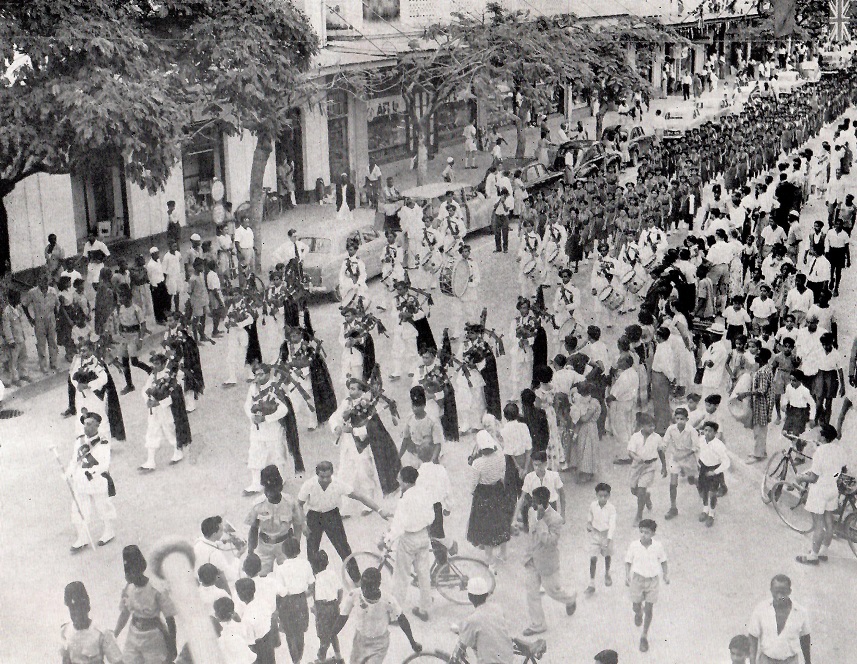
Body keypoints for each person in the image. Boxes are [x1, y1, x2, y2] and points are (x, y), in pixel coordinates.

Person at [298, 460, 389, 585]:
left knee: (344, 549)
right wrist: (303, 523)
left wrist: (379, 510)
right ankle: (312, 581)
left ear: (332, 474)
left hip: (332, 516)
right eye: (322, 477)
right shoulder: (308, 485)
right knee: (312, 551)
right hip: (314, 517)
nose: (325, 480)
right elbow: (298, 505)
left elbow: (360, 496)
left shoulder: (338, 483)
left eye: (328, 477)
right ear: (317, 474)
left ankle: (356, 579)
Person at [334, 568, 422, 663]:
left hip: (379, 645)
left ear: (378, 585)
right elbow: (342, 617)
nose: (365, 590)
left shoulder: (388, 600)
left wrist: (412, 642)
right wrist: (331, 635)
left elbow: (402, 619)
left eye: (369, 586)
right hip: (359, 642)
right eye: (363, 585)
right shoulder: (354, 595)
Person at [521, 486, 576, 636]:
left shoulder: (556, 519)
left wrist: (540, 521)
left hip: (547, 562)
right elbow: (530, 534)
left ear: (544, 502)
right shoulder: (532, 511)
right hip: (531, 559)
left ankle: (570, 599)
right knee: (531, 593)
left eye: (535, 501)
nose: (532, 504)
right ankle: (538, 624)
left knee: (552, 591)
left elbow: (550, 541)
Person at [383, 465, 435, 621]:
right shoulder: (424, 493)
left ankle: (394, 615)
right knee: (424, 574)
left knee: (401, 576)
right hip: (423, 536)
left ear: (405, 482)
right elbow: (431, 516)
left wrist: (388, 540)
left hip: (409, 539)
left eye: (399, 478)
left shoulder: (405, 499)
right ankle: (424, 609)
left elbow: (399, 525)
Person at [114, 545, 178, 664]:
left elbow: (170, 619)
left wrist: (172, 645)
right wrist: (115, 634)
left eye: (132, 571)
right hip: (134, 635)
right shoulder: (128, 589)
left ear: (140, 568)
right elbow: (124, 613)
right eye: (126, 571)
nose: (128, 575)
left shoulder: (156, 589)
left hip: (153, 637)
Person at [795, 424, 849, 565]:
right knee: (829, 522)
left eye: (819, 433)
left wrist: (800, 478)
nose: (817, 435)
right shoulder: (838, 449)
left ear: (823, 437)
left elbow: (813, 478)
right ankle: (823, 551)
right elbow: (843, 468)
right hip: (832, 490)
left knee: (818, 524)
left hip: (819, 491)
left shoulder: (819, 452)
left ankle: (813, 556)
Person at [67, 413, 117, 551]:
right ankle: (82, 537)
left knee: (102, 507)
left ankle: (109, 531)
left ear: (97, 425)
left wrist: (93, 473)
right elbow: (74, 460)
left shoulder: (103, 442)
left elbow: (104, 464)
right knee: (79, 508)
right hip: (81, 481)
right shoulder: (79, 441)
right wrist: (69, 472)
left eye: (89, 424)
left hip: (96, 480)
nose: (86, 427)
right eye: (85, 423)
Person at [243, 363, 293, 494]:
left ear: (267, 374)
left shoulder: (275, 388)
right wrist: (252, 417)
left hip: (272, 428)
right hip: (257, 428)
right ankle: (256, 483)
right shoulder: (253, 387)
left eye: (261, 374)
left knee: (276, 454)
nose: (258, 377)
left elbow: (284, 409)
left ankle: (280, 479)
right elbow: (247, 405)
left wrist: (267, 418)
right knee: (255, 453)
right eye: (256, 374)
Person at [467, 427, 513, 569]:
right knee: (501, 521)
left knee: (486, 525)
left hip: (484, 493)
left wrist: (472, 492)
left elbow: (473, 484)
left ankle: (489, 557)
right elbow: (502, 474)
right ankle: (504, 553)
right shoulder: (500, 458)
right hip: (498, 490)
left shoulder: (478, 463)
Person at [246, 465, 304, 575]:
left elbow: (297, 525)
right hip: (264, 546)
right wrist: (250, 551)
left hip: (285, 545)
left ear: (280, 487)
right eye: (266, 489)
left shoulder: (290, 502)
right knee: (262, 577)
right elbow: (253, 529)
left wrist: (296, 543)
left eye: (273, 489)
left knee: (289, 576)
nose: (269, 493)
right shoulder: (257, 505)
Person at [139, 350, 190, 472]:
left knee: (169, 429)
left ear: (163, 364)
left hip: (166, 410)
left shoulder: (169, 376)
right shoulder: (152, 376)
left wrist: (159, 402)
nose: (155, 366)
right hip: (154, 411)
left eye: (157, 364)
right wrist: (147, 400)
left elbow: (174, 394)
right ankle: (150, 461)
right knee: (152, 431)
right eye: (153, 364)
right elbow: (145, 389)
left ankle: (178, 450)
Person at [624, 519, 668, 653]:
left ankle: (644, 636)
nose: (643, 535)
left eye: (647, 532)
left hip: (652, 581)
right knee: (636, 605)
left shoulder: (658, 546)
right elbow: (628, 561)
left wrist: (665, 575)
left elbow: (663, 561)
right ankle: (638, 612)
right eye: (641, 532)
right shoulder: (634, 545)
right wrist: (627, 575)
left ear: (653, 534)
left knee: (649, 609)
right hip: (637, 580)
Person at [748, 574, 811, 664]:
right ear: (771, 590)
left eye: (783, 592)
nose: (779, 596)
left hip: (791, 661)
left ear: (789, 591)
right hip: (766, 660)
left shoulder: (801, 612)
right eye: (776, 592)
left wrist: (808, 662)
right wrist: (752, 661)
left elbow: (805, 638)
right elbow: (753, 637)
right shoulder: (761, 609)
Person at [451, 577, 514, 664]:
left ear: (469, 597)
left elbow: (466, 641)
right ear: (486, 595)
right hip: (508, 657)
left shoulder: (472, 620)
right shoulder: (497, 608)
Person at [272, 536, 313, 664]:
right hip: (301, 600)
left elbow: (279, 591)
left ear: (284, 552)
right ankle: (299, 657)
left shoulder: (281, 568)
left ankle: (295, 660)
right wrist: (303, 594)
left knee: (290, 634)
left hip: (286, 602)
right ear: (299, 550)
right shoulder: (306, 564)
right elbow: (311, 585)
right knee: (300, 632)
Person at [61, 581, 123, 664]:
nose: (77, 613)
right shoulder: (65, 632)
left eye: (80, 607)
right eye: (72, 608)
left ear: (87, 606)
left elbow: (117, 661)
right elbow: (65, 661)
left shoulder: (102, 633)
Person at [660, 407, 698, 519]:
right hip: (675, 458)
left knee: (693, 480)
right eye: (677, 418)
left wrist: (684, 455)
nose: (680, 421)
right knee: (673, 483)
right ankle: (673, 508)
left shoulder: (691, 430)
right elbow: (665, 442)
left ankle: (702, 492)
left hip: (688, 457)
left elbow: (695, 447)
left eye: (682, 419)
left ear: (687, 419)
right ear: (675, 419)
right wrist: (662, 447)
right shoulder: (671, 429)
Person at [628, 413, 662, 525]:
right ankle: (646, 497)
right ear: (642, 425)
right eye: (649, 426)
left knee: (641, 489)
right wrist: (636, 458)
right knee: (634, 490)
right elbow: (630, 452)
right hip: (637, 467)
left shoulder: (657, 438)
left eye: (653, 426)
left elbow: (661, 452)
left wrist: (665, 467)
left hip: (650, 467)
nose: (652, 428)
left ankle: (639, 515)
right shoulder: (635, 437)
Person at [21, 273, 59, 373]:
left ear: (48, 281)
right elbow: (24, 305)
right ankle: (43, 367)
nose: (43, 283)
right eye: (41, 281)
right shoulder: (32, 292)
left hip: (51, 319)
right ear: (38, 282)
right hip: (39, 321)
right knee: (41, 344)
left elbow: (56, 305)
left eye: (45, 281)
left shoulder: (53, 291)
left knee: (52, 342)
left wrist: (56, 317)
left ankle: (53, 363)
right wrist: (30, 318)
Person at [234, 578, 277, 664]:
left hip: (258, 646)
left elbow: (250, 642)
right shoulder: (263, 602)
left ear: (239, 595)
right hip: (268, 640)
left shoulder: (247, 617)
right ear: (254, 590)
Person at [696, 421, 730, 527]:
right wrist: (698, 463)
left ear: (715, 433)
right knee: (703, 491)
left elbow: (726, 462)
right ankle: (705, 509)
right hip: (703, 468)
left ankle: (711, 514)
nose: (707, 433)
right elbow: (697, 451)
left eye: (710, 431)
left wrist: (715, 472)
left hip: (714, 470)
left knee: (712, 493)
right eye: (705, 430)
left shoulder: (719, 445)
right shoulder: (700, 440)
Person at [585, 482, 616, 596]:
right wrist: (589, 523)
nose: (603, 498)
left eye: (605, 496)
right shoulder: (593, 505)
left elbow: (612, 525)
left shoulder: (611, 508)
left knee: (607, 556)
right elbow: (590, 515)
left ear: (609, 496)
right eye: (600, 496)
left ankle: (607, 573)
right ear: (596, 495)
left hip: (606, 535)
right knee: (593, 558)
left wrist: (609, 539)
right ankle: (591, 583)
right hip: (595, 534)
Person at [146, 247, 170, 325]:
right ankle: (159, 319)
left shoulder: (158, 261)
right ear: (152, 255)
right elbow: (150, 276)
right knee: (157, 303)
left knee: (165, 300)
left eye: (158, 253)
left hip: (161, 282)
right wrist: (154, 286)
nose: (157, 255)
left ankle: (165, 315)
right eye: (156, 254)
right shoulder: (150, 265)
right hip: (155, 285)